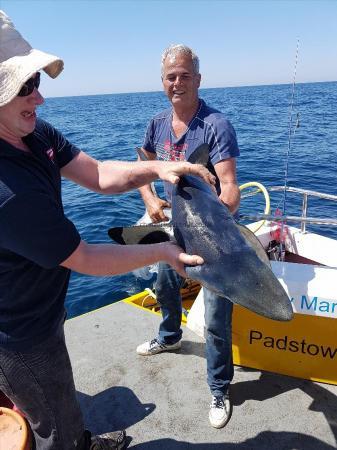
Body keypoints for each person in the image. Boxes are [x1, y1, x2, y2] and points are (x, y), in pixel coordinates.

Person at [0, 12, 216, 450]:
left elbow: (97, 174)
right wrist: (165, 251)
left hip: (41, 303)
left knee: (61, 399)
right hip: (18, 330)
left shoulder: (32, 132)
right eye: (23, 87)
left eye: (35, 80)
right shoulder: (8, 190)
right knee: (51, 422)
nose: (39, 97)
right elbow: (86, 258)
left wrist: (157, 166)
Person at [136, 44, 240, 429]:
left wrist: (218, 216)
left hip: (213, 232)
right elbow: (144, 161)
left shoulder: (215, 125)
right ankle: (169, 335)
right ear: (162, 82)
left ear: (198, 79)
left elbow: (230, 186)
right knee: (163, 282)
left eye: (183, 75)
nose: (176, 82)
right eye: (170, 76)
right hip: (173, 227)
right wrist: (149, 198)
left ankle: (219, 386)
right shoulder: (158, 123)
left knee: (215, 315)